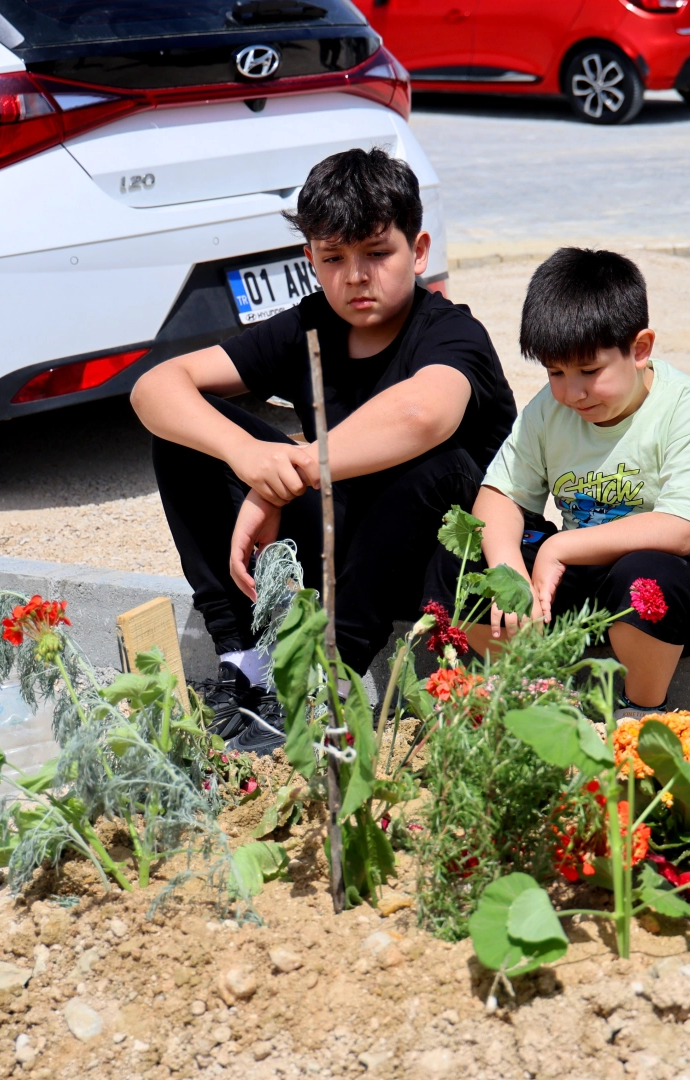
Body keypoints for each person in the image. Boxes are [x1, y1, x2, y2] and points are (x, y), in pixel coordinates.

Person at [132, 148, 516, 742]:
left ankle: (327, 684)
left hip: (444, 561)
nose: (356, 275)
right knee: (187, 438)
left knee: (436, 463)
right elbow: (155, 388)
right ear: (311, 260)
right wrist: (248, 458)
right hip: (342, 548)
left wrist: (293, 472)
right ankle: (245, 662)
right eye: (334, 257)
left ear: (418, 252)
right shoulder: (309, 328)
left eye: (377, 253)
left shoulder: (450, 331)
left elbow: (423, 415)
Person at [441, 248, 690, 712]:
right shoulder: (550, 407)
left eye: (589, 371)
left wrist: (557, 548)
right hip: (583, 580)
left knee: (644, 577)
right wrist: (509, 571)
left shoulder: (687, 406)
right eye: (555, 372)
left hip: (687, 581)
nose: (572, 391)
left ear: (639, 350)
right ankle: (526, 686)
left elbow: (680, 530)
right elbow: (498, 494)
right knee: (459, 559)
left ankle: (639, 706)